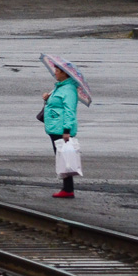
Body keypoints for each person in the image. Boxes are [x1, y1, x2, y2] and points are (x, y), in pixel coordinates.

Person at [42, 62, 79, 198]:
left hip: (61, 129)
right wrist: (47, 98)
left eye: (57, 71)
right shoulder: (59, 87)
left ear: (64, 73)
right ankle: (67, 188)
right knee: (62, 157)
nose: (55, 73)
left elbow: (70, 111)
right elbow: (55, 104)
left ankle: (68, 189)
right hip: (54, 127)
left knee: (65, 158)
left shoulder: (69, 89)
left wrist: (67, 130)